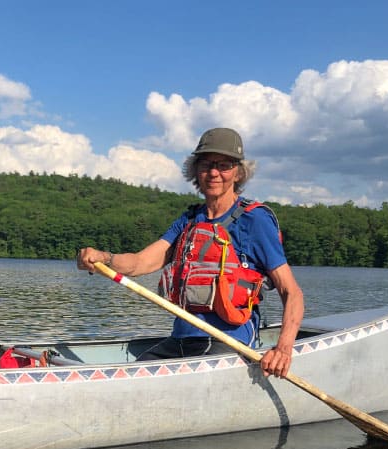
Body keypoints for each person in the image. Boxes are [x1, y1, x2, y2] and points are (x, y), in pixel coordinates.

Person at [76, 128, 304, 378]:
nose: (214, 173)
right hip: (181, 340)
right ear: (195, 170)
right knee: (128, 378)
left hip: (229, 342)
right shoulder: (189, 220)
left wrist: (283, 349)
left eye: (224, 165)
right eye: (206, 165)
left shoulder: (254, 221)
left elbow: (290, 291)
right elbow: (141, 262)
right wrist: (104, 259)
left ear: (238, 172)